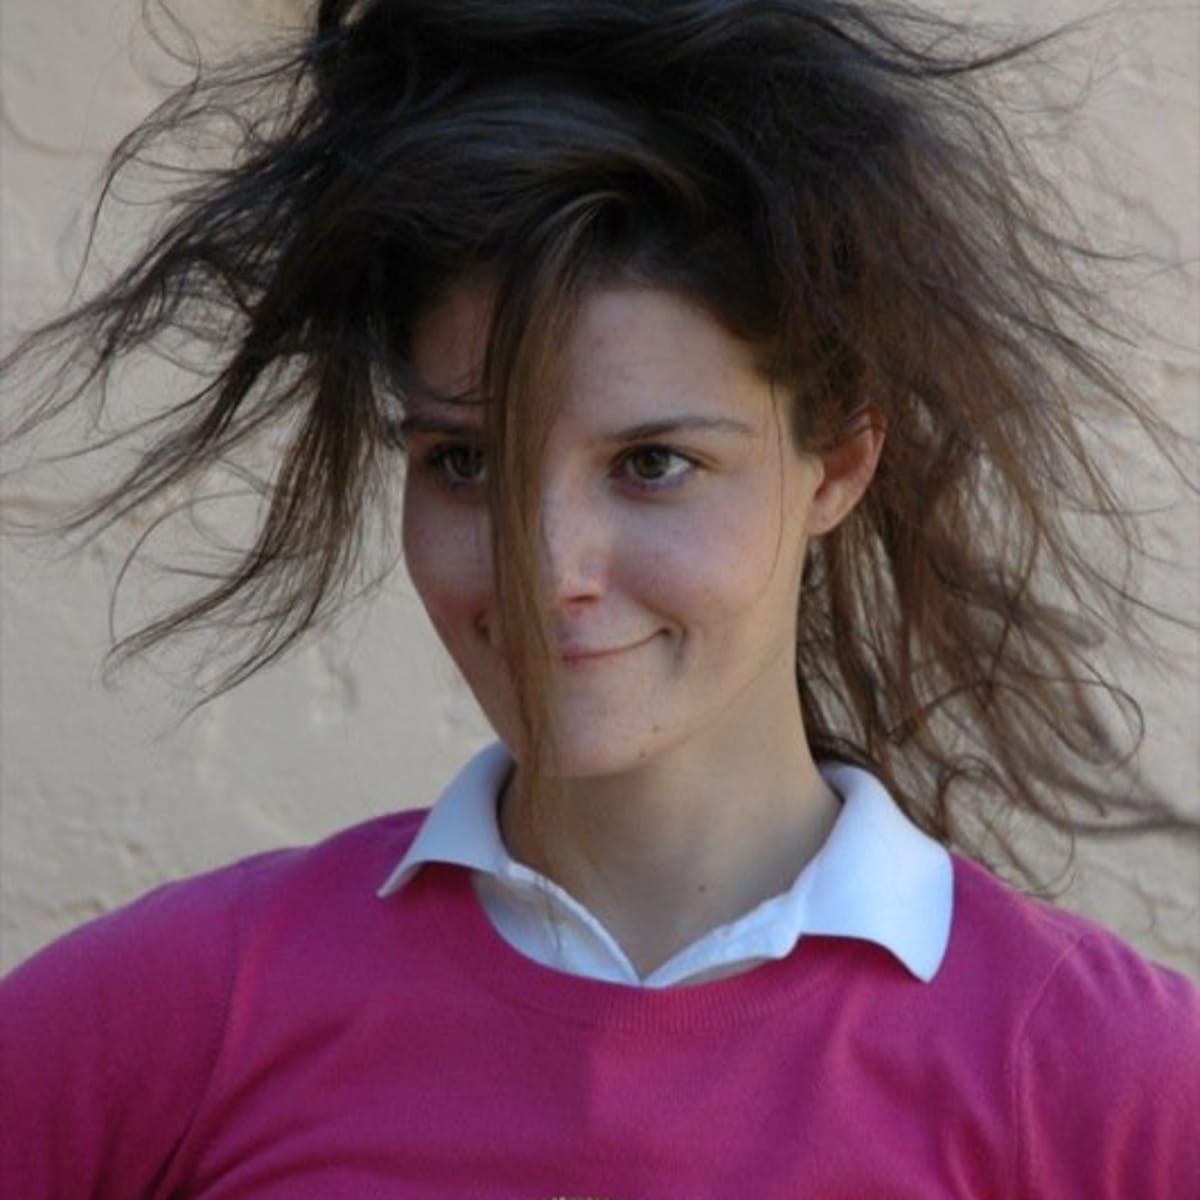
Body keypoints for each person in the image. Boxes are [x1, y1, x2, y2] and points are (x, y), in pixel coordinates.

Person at [1, 0, 1197, 1196]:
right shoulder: (187, 1013)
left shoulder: (1112, 1085)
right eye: (464, 463)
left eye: (653, 464)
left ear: (836, 463)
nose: (544, 570)